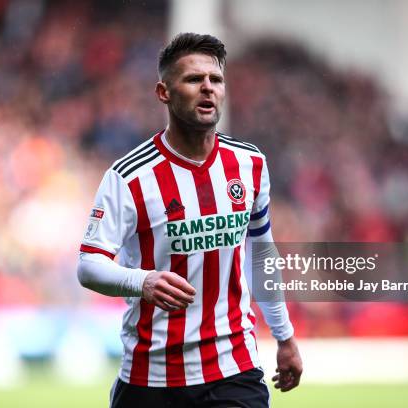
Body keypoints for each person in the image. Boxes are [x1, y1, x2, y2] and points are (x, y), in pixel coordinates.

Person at [77, 32, 302, 407]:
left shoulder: (249, 163)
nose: (208, 89)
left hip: (234, 368)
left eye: (216, 80)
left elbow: (261, 253)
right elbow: (89, 266)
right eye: (194, 79)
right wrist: (142, 281)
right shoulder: (129, 177)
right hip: (152, 375)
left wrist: (284, 336)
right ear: (164, 92)